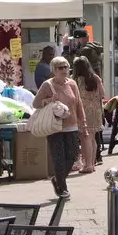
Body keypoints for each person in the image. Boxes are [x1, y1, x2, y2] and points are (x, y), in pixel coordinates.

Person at [32, 56, 86, 198]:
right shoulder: (47, 85)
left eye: (65, 67)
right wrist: (49, 100)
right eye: (60, 68)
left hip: (72, 125)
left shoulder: (72, 84)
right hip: (55, 126)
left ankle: (57, 179)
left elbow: (78, 103)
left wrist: (83, 122)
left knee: (73, 155)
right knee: (59, 157)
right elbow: (35, 103)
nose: (64, 70)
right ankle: (62, 187)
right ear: (54, 70)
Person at [70, 54, 105, 173]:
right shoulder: (95, 78)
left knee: (85, 137)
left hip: (82, 111)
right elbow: (102, 94)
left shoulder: (75, 80)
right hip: (96, 110)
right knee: (92, 138)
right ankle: (92, 163)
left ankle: (88, 164)